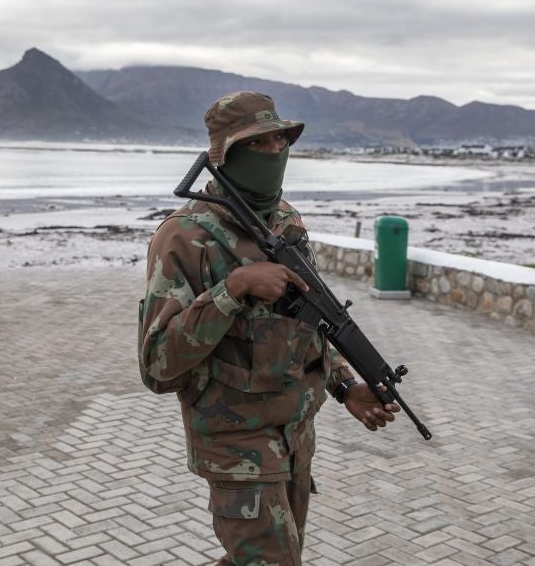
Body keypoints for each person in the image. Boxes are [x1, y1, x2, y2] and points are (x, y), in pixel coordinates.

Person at [139, 91, 400, 566]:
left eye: (281, 140)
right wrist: (232, 290)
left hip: (294, 438)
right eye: (259, 143)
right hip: (236, 448)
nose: (276, 151)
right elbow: (158, 365)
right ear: (226, 153)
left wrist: (346, 387)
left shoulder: (284, 220)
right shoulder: (184, 237)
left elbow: (313, 319)